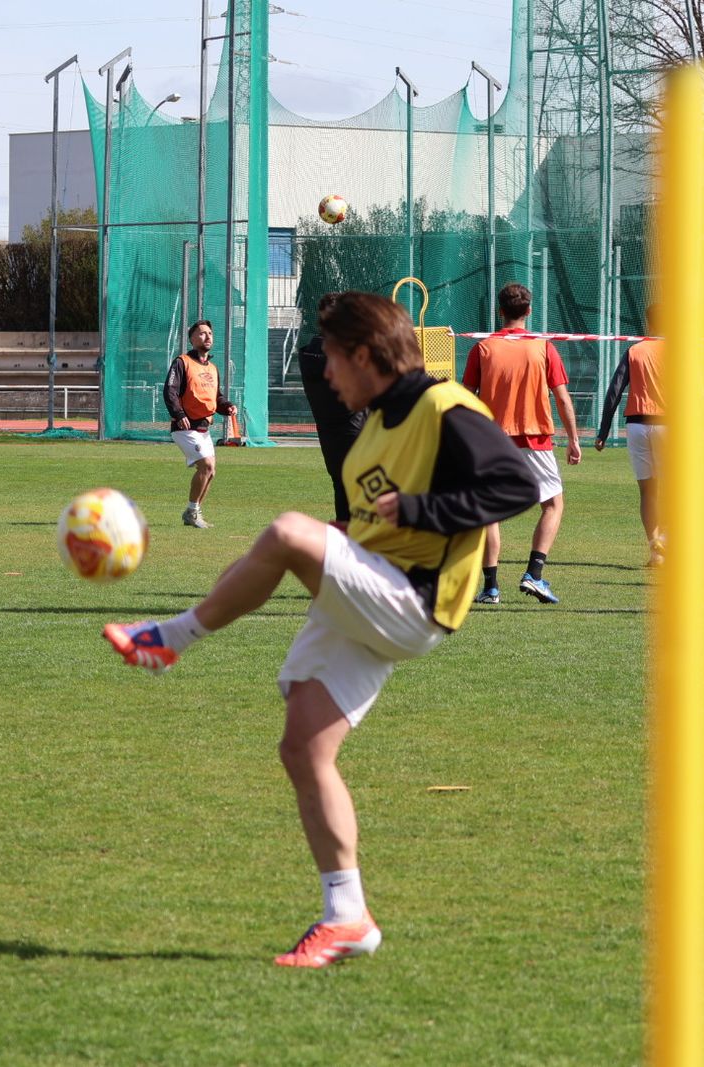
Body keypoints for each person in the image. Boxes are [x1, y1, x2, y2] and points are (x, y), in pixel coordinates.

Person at [103, 292, 538, 968]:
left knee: (284, 530)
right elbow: (372, 528)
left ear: (364, 356)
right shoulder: (374, 429)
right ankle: (347, 915)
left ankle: (172, 639)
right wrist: (300, 551)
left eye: (332, 358)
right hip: (379, 593)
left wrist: (419, 510)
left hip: (417, 598)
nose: (325, 373)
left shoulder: (444, 406)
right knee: (304, 746)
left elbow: (515, 485)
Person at [460, 281, 581, 605]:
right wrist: (572, 439)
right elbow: (562, 398)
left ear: (500, 311)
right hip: (535, 437)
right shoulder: (542, 347)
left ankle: (491, 587)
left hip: (492, 441)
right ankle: (534, 574)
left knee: (490, 513)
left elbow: (464, 398)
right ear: (529, 310)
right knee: (553, 505)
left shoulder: (483, 348)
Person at [594, 305, 667, 566]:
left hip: (636, 426)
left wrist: (602, 432)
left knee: (648, 491)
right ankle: (666, 541)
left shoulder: (635, 350)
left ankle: (655, 552)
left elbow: (614, 391)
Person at [297, 293, 367, 524]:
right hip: (354, 430)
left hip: (331, 435)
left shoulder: (308, 352)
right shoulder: (341, 355)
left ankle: (347, 546)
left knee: (342, 488)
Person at [162, 320, 235, 528]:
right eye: (202, 334)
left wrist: (227, 406)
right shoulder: (182, 362)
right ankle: (192, 511)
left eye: (210, 333)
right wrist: (178, 413)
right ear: (192, 339)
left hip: (203, 428)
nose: (208, 337)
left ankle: (193, 513)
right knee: (207, 465)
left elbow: (216, 398)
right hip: (185, 427)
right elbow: (170, 391)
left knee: (210, 472)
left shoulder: (212, 368)